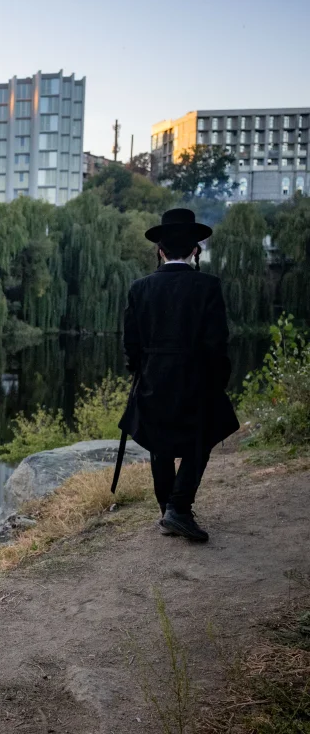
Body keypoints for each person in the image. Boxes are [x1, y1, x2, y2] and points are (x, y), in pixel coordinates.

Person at [118, 208, 239, 543]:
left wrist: (139, 373)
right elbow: (217, 342)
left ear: (160, 251)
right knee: (200, 439)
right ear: (195, 250)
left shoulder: (139, 288)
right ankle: (179, 509)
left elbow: (131, 342)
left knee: (161, 445)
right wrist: (218, 380)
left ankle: (169, 511)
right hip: (196, 379)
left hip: (154, 377)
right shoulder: (208, 286)